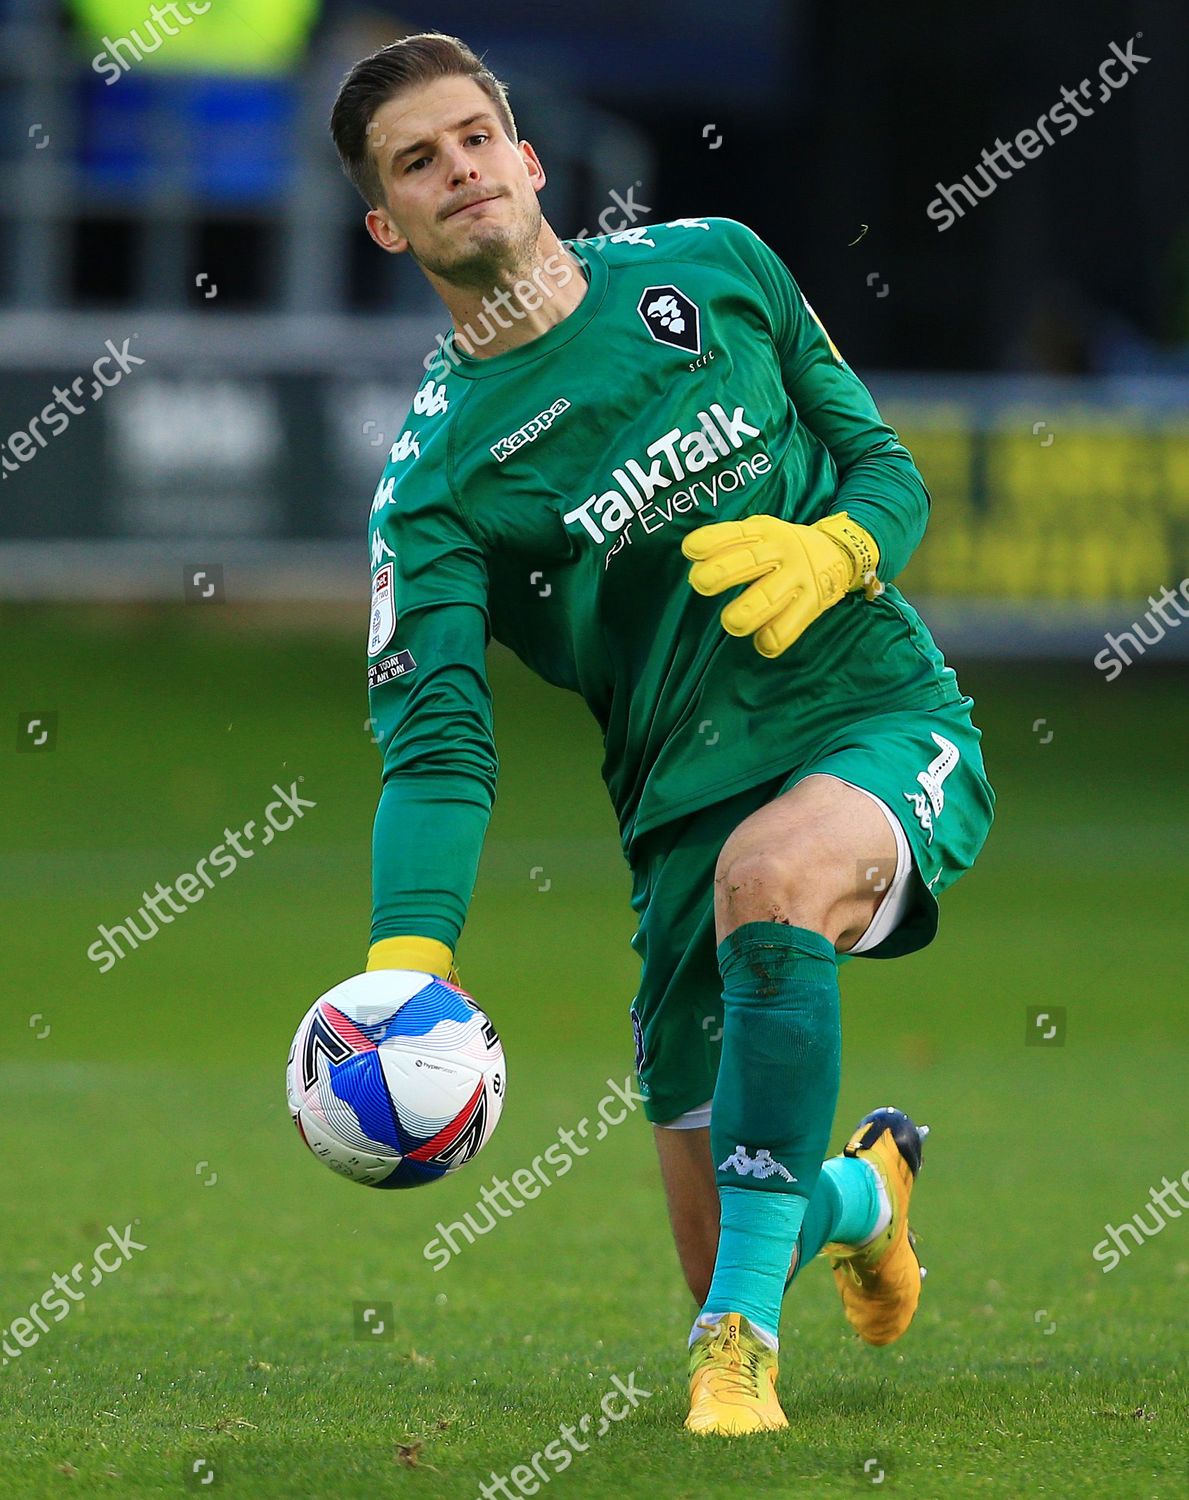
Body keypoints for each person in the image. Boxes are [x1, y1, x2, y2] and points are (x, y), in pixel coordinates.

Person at [330, 30, 995, 1436]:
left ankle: (735, 1350)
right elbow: (439, 741)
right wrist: (407, 973)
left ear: (524, 159)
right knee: (735, 1210)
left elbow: (880, 469)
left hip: (870, 713)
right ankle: (865, 1193)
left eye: (471, 139)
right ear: (387, 225)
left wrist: (834, 553)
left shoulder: (715, 265)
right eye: (415, 163)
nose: (456, 171)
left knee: (775, 884)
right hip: (677, 806)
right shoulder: (435, 488)